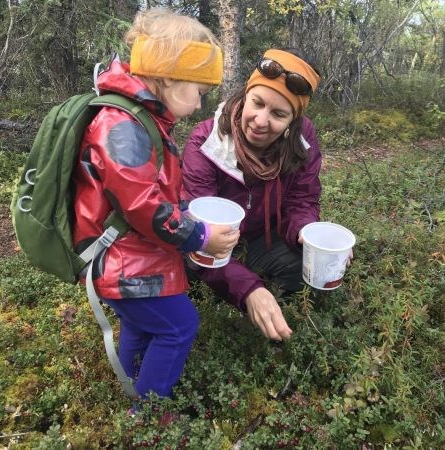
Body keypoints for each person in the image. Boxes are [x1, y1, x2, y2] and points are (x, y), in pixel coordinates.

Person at [72, 8, 239, 400]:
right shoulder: (123, 127)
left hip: (127, 256)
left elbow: (153, 189)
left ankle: (130, 390)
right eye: (198, 92)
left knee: (141, 327)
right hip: (123, 262)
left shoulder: (141, 120)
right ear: (167, 77)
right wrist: (199, 235)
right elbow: (142, 205)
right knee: (179, 326)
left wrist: (184, 210)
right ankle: (147, 419)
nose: (199, 106)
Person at [182, 48, 322, 342]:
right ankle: (220, 296)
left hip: (259, 239)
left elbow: (302, 201)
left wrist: (307, 232)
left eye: (278, 114)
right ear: (246, 96)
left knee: (307, 264)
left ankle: (264, 310)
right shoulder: (205, 144)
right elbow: (202, 233)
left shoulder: (302, 141)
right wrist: (250, 290)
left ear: (292, 121)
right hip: (207, 242)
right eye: (257, 103)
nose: (260, 121)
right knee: (190, 266)